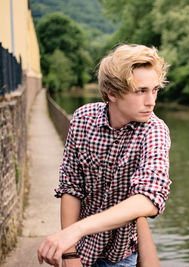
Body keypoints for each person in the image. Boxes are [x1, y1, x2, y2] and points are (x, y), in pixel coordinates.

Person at [37, 44, 171, 267]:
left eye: (155, 89)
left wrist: (75, 230)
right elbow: (71, 186)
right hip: (80, 249)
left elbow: (149, 198)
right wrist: (70, 254)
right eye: (141, 91)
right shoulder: (83, 119)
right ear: (112, 93)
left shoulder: (155, 130)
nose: (152, 101)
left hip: (120, 255)